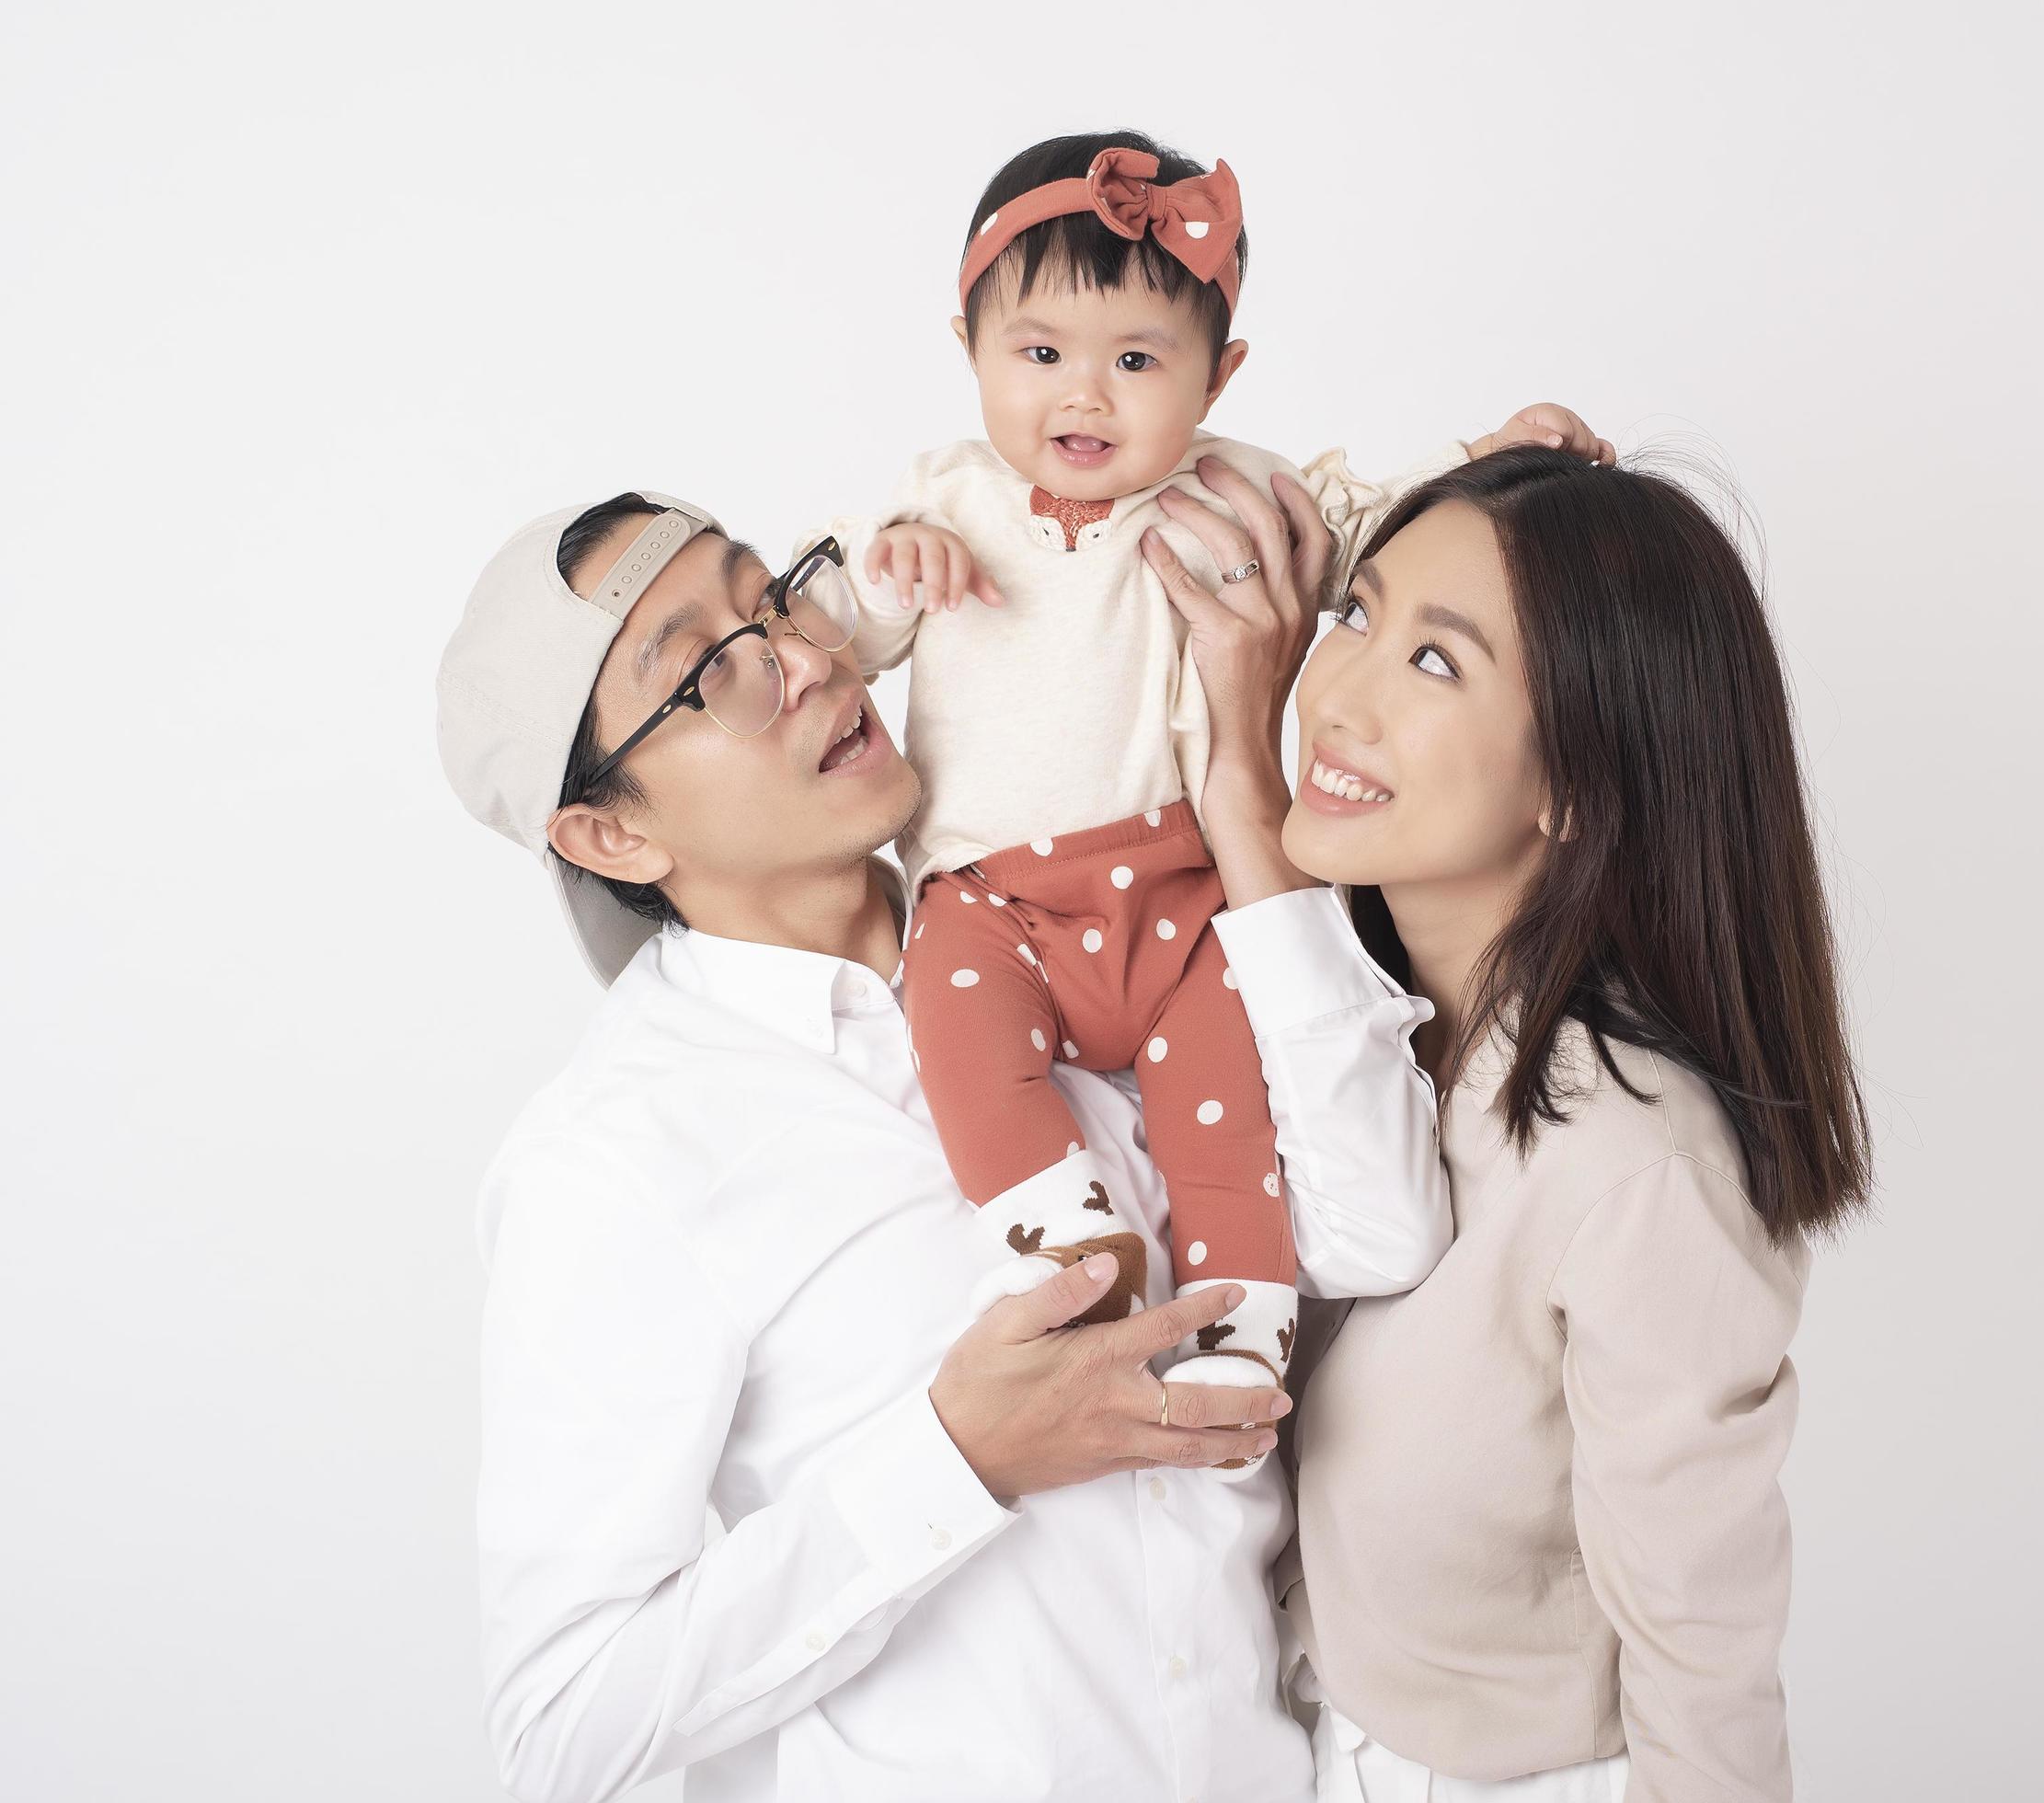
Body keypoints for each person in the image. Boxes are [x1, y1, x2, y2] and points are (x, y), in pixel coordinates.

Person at [435, 466, 1444, 1800]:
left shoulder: (1091, 935)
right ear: (609, 834)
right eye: (710, 673)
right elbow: (563, 1722)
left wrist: (1246, 788)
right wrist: (957, 1457)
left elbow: (1383, 1230)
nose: (802, 660)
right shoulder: (618, 1156)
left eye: (778, 599)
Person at [817, 127, 1610, 1437]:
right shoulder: (944, 502)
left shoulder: (1237, 494)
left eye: (1137, 361)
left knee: (1223, 1116)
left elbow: (1388, 538)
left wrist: (1494, 461)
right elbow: (839, 635)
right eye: (1038, 355)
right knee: (955, 1043)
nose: (1085, 397)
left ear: (1218, 376)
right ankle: (1070, 1246)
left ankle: (1242, 1322)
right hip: (994, 905)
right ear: (966, 346)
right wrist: (889, 561)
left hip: (1189, 895)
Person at [1163, 445, 1872, 1798]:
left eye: (1436, 664)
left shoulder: (1630, 1159)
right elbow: (1114, 427)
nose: (1339, 697)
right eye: (1356, 618)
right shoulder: (1340, 1019)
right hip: (1303, 1742)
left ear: (1578, 785)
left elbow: (1701, 1634)